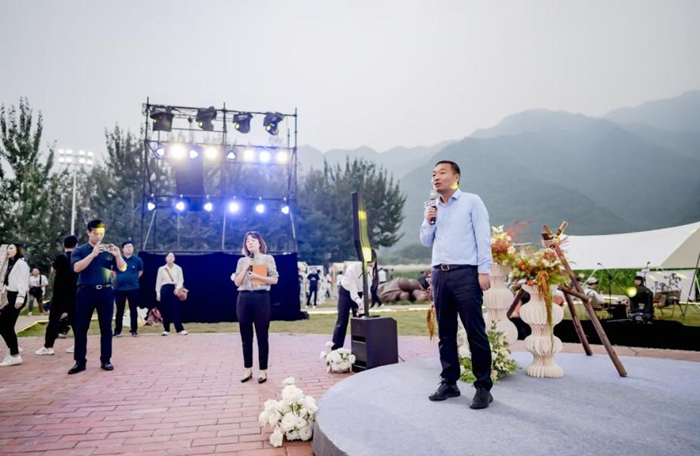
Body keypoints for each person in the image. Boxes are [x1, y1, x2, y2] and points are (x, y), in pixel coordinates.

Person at [420, 160, 494, 410]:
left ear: (456, 177)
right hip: (439, 275)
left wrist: (483, 270)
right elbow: (425, 241)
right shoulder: (432, 207)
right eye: (433, 174)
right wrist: (428, 220)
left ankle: (483, 387)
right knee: (446, 333)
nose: (436, 177)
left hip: (466, 273)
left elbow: (483, 237)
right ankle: (449, 382)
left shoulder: (472, 201)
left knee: (475, 332)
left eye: (442, 172)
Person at [69, 219, 127, 374]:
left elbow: (122, 268)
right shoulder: (80, 250)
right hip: (85, 291)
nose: (98, 236)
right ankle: (80, 361)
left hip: (105, 292)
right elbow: (76, 268)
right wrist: (93, 254)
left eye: (101, 233)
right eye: (95, 233)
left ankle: (106, 360)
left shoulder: (109, 250)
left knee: (106, 328)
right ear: (88, 232)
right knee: (81, 327)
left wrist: (118, 255)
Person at [231, 231, 279, 384]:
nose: (250, 243)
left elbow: (274, 279)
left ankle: (263, 370)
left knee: (262, 335)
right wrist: (246, 267)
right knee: (245, 336)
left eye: (253, 240)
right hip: (244, 298)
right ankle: (247, 369)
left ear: (259, 243)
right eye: (247, 241)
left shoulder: (267, 258)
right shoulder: (242, 261)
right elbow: (237, 282)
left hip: (261, 297)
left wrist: (257, 276)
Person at [36, 235, 79, 356]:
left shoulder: (61, 257)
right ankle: (79, 344)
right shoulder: (78, 257)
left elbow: (53, 271)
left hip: (60, 293)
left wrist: (54, 266)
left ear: (63, 245)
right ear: (76, 245)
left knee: (54, 319)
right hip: (75, 292)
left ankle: (48, 346)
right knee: (75, 320)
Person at [331, 252, 376, 350]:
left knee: (360, 320)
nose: (369, 267)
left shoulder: (372, 271)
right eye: (368, 265)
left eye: (371, 265)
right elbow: (353, 292)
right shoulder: (352, 269)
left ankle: (361, 350)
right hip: (346, 292)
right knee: (342, 320)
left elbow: (366, 290)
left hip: (360, 293)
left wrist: (362, 303)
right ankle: (336, 349)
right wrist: (358, 301)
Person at [0, 243, 30, 366]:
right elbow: (8, 281)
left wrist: (20, 298)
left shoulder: (21, 264)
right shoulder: (12, 263)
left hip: (18, 297)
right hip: (12, 297)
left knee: (5, 325)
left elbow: (23, 282)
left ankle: (15, 354)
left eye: (11, 248)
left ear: (18, 250)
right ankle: (13, 347)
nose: (8, 250)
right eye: (8, 248)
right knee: (6, 325)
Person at [113, 241, 144, 337]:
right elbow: (114, 272)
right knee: (119, 310)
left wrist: (133, 279)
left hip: (133, 288)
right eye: (127, 247)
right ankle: (117, 330)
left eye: (131, 247)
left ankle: (134, 330)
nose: (129, 248)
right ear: (123, 249)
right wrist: (119, 279)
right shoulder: (117, 259)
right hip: (120, 288)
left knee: (133, 309)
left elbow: (140, 272)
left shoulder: (137, 260)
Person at [155, 252, 187, 336]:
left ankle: (179, 329)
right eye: (168, 256)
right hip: (164, 289)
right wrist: (158, 293)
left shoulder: (178, 268)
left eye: (172, 256)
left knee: (175, 309)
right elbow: (158, 282)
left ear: (174, 258)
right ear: (166, 258)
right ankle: (166, 329)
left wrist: (178, 288)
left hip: (174, 289)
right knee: (165, 309)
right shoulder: (161, 269)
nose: (170, 258)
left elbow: (181, 280)